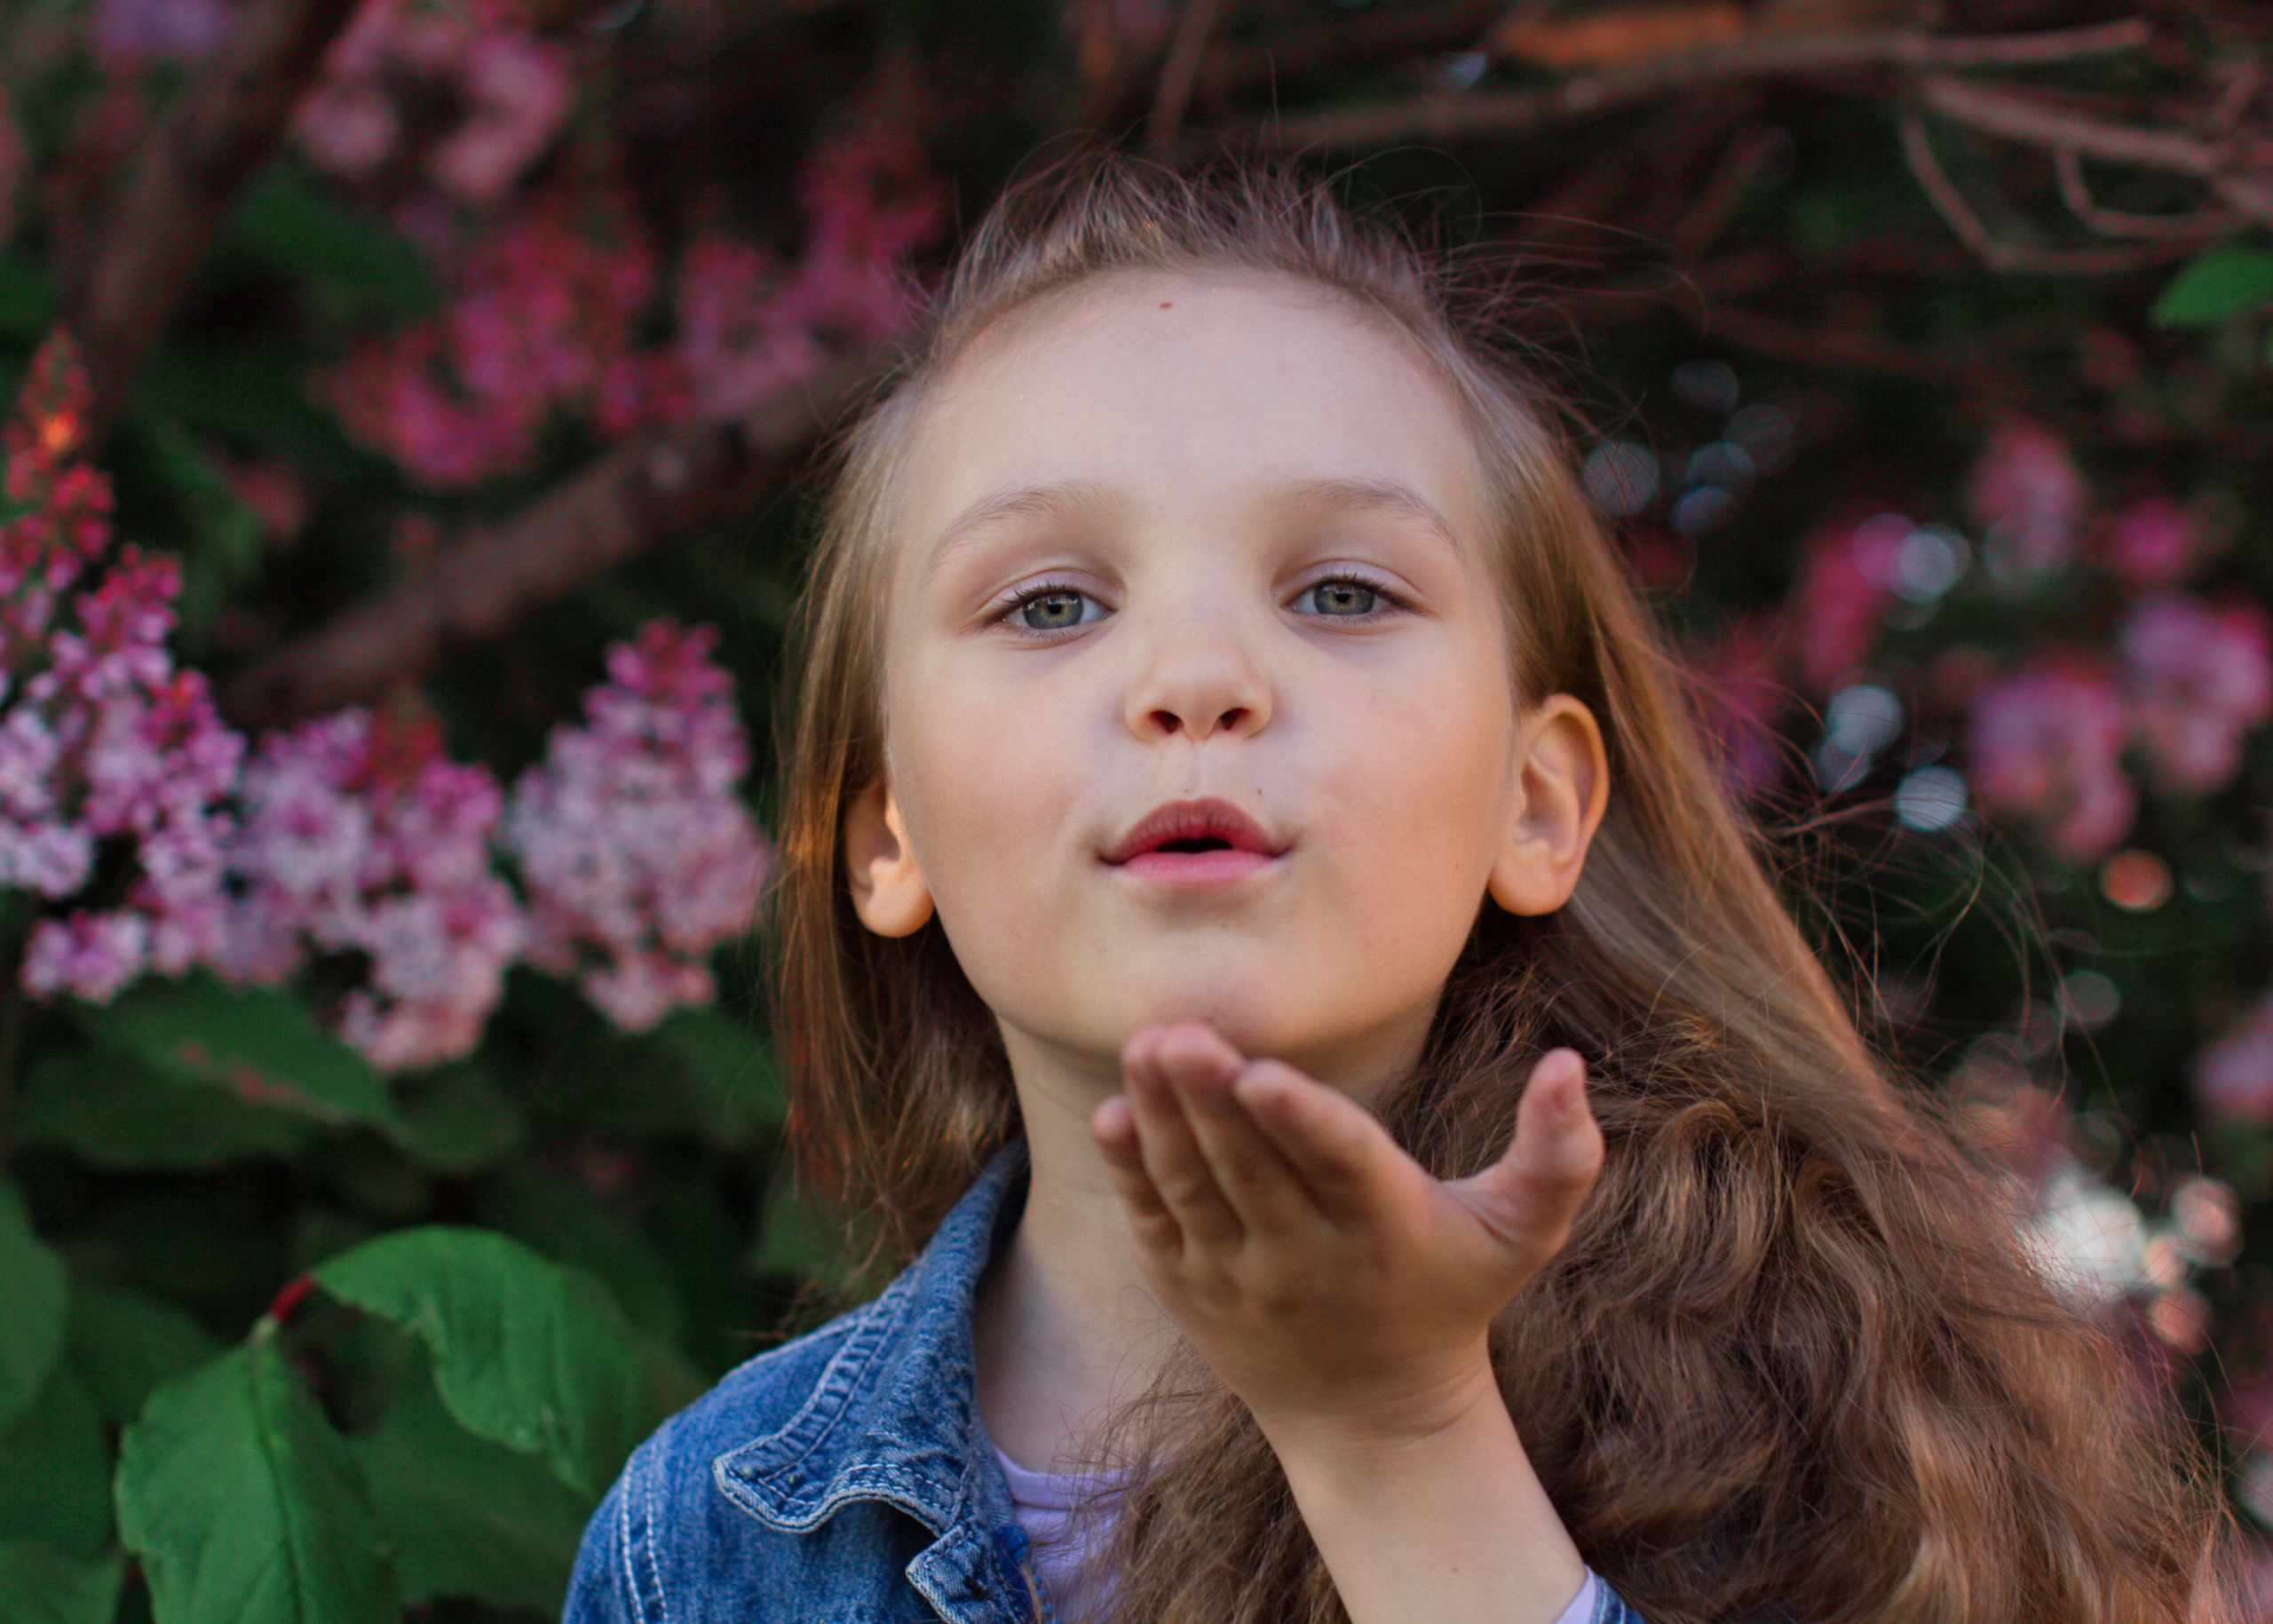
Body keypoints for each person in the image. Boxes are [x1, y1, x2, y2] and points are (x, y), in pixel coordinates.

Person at [562, 147, 2238, 1624]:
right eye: (1051, 605)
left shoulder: (1833, 1430)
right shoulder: (701, 1542)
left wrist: (1399, 1437)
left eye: (1345, 591)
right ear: (883, 836)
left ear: (1537, 800)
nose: (1199, 676)